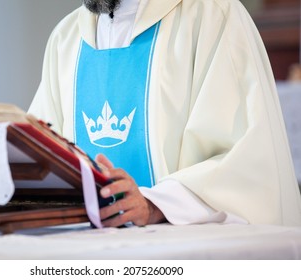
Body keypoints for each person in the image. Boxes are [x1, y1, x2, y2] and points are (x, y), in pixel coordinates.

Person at [28, 0, 301, 227]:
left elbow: (247, 161)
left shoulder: (213, 16)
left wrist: (155, 204)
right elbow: (41, 153)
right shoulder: (66, 38)